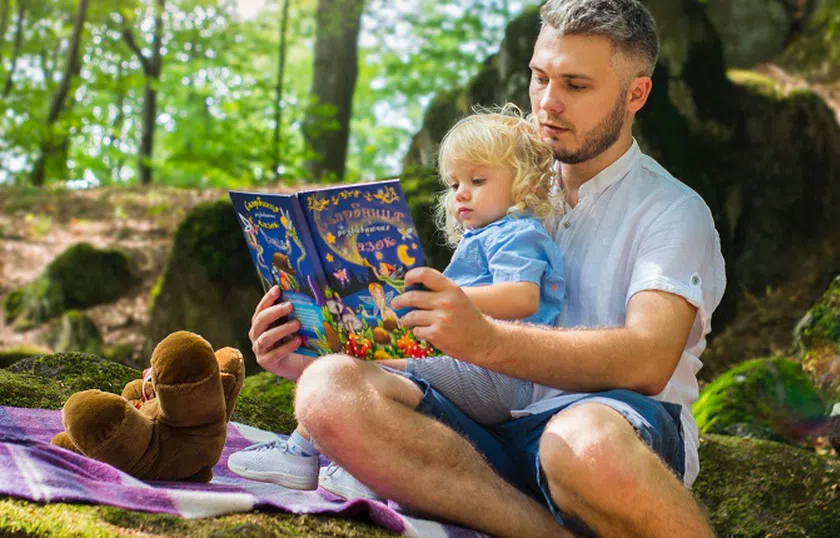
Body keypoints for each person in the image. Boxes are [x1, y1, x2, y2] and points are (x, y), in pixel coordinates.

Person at [249, 0, 724, 536]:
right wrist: (314, 343)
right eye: (539, 77)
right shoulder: (497, 186)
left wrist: (482, 337)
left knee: (582, 441)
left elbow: (648, 359)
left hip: (611, 430)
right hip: (483, 427)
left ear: (635, 93)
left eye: (576, 85)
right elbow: (440, 341)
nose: (548, 102)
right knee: (327, 388)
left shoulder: (672, 210)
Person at [229, 106, 567, 494]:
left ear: (526, 182)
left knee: (365, 367)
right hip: (470, 365)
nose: (461, 194)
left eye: (477, 179)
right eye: (454, 183)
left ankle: (313, 457)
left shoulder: (519, 232)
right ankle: (333, 460)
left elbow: (523, 296)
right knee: (356, 362)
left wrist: (446, 298)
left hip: (497, 376)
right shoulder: (488, 236)